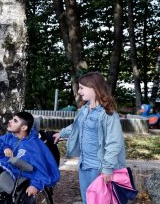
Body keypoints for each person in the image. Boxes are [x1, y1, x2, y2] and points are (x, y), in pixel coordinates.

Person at [53, 72, 126, 204]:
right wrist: (61, 133)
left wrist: (107, 168)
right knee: (87, 200)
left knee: (100, 201)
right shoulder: (84, 110)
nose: (79, 91)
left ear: (94, 88)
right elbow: (76, 127)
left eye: (82, 88)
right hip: (84, 164)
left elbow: (114, 143)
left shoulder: (108, 114)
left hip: (99, 167)